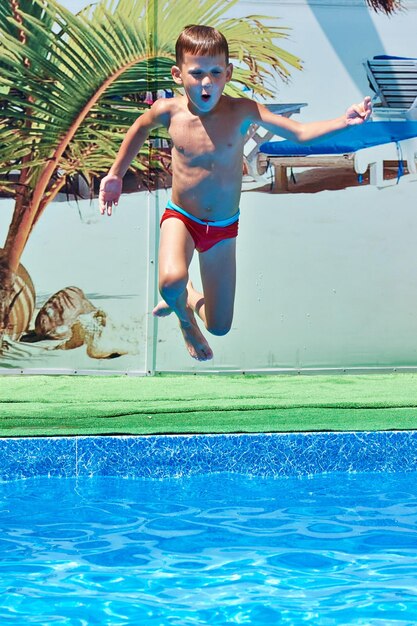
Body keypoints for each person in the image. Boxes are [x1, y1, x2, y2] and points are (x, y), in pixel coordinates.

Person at [99, 24, 372, 362]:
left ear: (228, 73)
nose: (206, 82)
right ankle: (185, 321)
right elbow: (139, 128)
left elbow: (299, 132)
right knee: (170, 280)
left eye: (215, 72)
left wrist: (343, 121)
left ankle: (187, 301)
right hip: (181, 217)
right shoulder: (168, 113)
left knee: (219, 326)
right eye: (196, 73)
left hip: (224, 228)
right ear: (177, 73)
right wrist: (115, 175)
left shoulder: (242, 111)